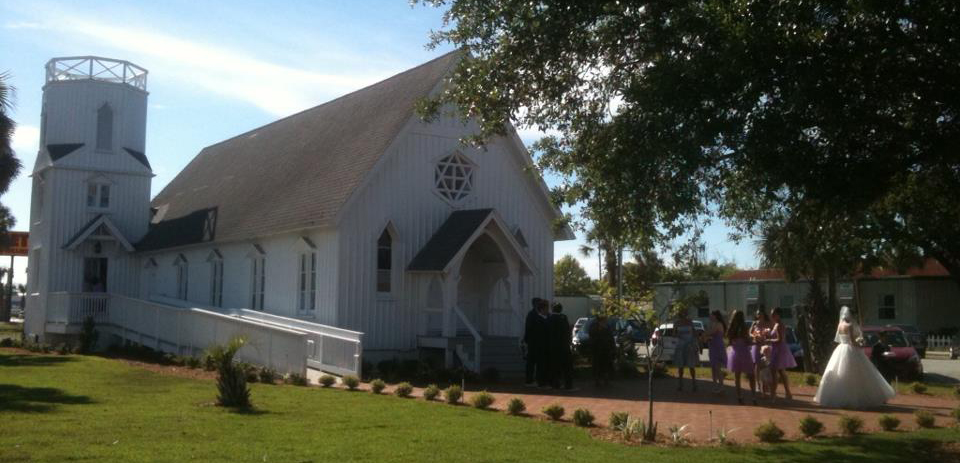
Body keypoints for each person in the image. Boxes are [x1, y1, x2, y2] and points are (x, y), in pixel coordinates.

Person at [814, 306, 896, 409]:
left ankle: (837, 396)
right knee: (857, 372)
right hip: (850, 349)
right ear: (850, 315)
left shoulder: (840, 325)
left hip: (841, 348)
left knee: (841, 371)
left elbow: (841, 338)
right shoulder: (850, 325)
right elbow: (852, 341)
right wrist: (860, 345)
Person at [726, 310, 757, 404]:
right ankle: (753, 397)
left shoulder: (731, 329)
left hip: (735, 352)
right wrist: (755, 341)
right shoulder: (744, 328)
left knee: (737, 376)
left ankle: (739, 396)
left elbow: (730, 341)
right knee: (751, 375)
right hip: (744, 352)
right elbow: (748, 341)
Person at [766, 307, 796, 400]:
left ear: (778, 315)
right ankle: (786, 393)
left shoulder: (779, 325)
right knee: (779, 371)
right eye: (771, 314)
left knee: (776, 371)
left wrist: (769, 340)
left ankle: (774, 394)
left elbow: (780, 339)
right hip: (776, 349)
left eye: (773, 314)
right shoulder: (775, 324)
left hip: (779, 349)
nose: (772, 316)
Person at [547, 302, 576, 390]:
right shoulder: (563, 318)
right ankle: (568, 384)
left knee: (554, 366)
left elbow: (549, 333)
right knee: (567, 367)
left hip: (554, 347)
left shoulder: (550, 318)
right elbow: (568, 331)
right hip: (564, 346)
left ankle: (555, 383)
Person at [523, 297, 549, 387]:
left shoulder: (536, 314)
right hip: (533, 342)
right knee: (531, 362)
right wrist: (527, 340)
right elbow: (529, 328)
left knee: (538, 362)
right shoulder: (532, 314)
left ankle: (538, 380)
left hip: (537, 342)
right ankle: (529, 380)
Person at [672, 306, 698, 392]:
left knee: (691, 366)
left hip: (689, 345)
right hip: (680, 346)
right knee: (680, 366)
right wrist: (678, 336)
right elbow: (674, 334)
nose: (684, 314)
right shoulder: (676, 323)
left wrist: (695, 344)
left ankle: (694, 384)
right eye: (683, 312)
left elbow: (694, 333)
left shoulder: (690, 322)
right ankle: (680, 385)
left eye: (685, 312)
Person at [749, 307, 772, 391]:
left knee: (766, 364)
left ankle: (766, 384)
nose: (759, 315)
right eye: (758, 314)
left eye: (760, 314)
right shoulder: (754, 323)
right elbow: (750, 333)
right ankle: (757, 383)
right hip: (756, 345)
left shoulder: (768, 323)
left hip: (765, 345)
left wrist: (766, 336)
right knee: (757, 364)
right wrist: (755, 336)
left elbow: (771, 333)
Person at [704, 310, 727, 393]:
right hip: (712, 346)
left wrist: (705, 334)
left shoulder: (718, 324)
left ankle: (721, 386)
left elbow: (710, 332)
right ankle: (715, 385)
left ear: (716, 316)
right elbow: (708, 334)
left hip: (717, 347)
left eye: (712, 315)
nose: (710, 317)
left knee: (717, 367)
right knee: (713, 367)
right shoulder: (713, 324)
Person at [588, 314, 615, 387]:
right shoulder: (594, 326)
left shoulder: (607, 326)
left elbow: (610, 337)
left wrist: (612, 347)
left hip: (606, 349)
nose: (605, 320)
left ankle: (606, 379)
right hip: (597, 349)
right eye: (604, 319)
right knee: (597, 365)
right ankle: (597, 380)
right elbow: (591, 336)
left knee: (606, 365)